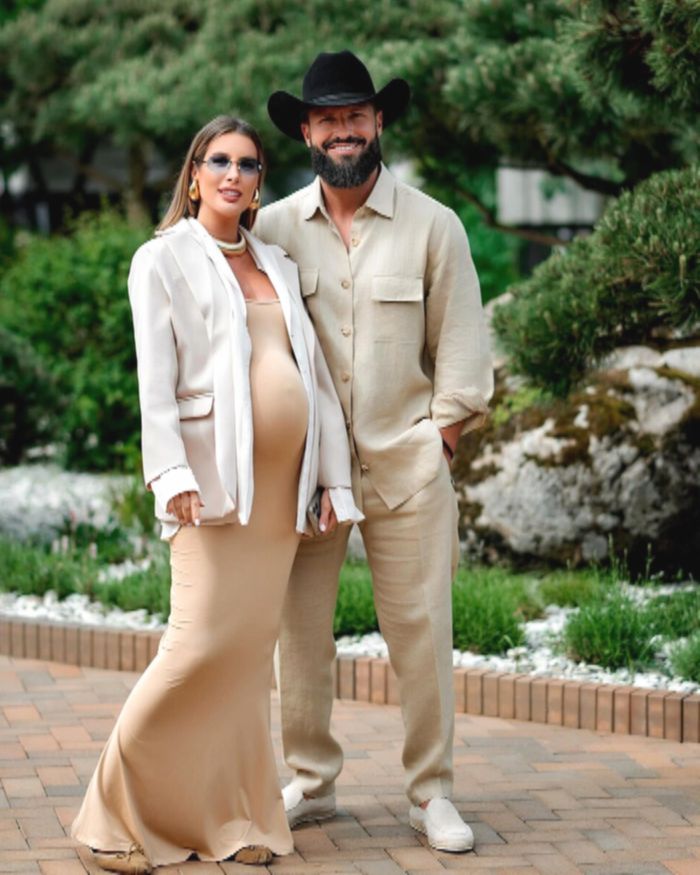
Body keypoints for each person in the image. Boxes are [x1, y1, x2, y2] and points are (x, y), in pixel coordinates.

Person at [71, 115, 362, 874]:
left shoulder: (276, 262)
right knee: (195, 645)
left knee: (244, 659)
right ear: (195, 175)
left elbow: (315, 383)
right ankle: (108, 817)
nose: (234, 174)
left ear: (260, 182)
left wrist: (332, 480)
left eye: (249, 164)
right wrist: (172, 476)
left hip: (279, 497)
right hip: (211, 488)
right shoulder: (161, 259)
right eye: (220, 161)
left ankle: (234, 817)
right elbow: (156, 381)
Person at [254, 51, 494, 854]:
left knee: (421, 635)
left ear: (379, 121)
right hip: (307, 474)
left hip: (408, 466)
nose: (343, 131)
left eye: (355, 115)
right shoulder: (272, 229)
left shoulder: (434, 225)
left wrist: (441, 443)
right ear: (306, 132)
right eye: (327, 119)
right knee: (299, 635)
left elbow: (462, 348)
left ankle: (432, 791)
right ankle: (312, 780)